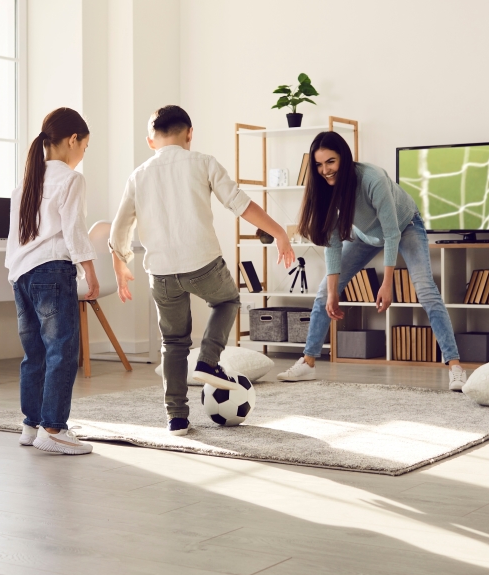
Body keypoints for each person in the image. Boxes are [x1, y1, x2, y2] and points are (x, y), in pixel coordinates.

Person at [109, 105, 295, 436]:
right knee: (227, 301)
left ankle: (177, 417)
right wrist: (279, 232)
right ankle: (208, 359)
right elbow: (241, 204)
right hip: (202, 264)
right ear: (189, 134)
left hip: (161, 273)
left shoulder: (139, 175)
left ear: (151, 141)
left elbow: (119, 229)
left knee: (173, 342)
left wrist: (121, 263)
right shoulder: (203, 162)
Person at [276, 131, 467, 391]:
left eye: (330, 162)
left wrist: (387, 284)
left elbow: (391, 233)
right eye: (319, 165)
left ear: (343, 157)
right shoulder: (325, 189)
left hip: (405, 226)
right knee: (324, 292)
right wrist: (334, 291)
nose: (325, 170)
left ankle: (455, 366)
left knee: (425, 291)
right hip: (365, 235)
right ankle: (308, 362)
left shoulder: (371, 178)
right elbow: (332, 243)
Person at [5, 107, 97, 456]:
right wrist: (90, 271)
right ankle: (55, 429)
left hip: (21, 275)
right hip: (52, 272)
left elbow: (15, 239)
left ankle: (31, 425)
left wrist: (15, 276)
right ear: (72, 140)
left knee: (35, 354)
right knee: (63, 351)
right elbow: (74, 232)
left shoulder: (25, 182)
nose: (82, 155)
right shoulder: (71, 180)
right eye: (84, 147)